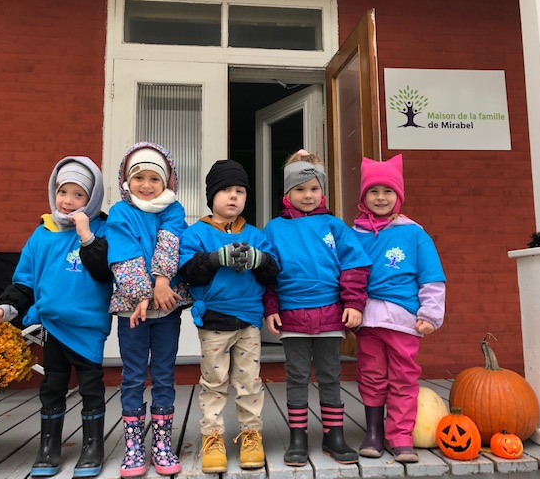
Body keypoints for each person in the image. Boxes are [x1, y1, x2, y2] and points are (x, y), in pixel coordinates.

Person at [0, 156, 113, 478]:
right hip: (53, 326)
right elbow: (24, 281)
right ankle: (48, 447)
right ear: (54, 191)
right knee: (52, 385)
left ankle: (93, 446)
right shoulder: (42, 234)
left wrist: (86, 235)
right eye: (63, 192)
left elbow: (104, 272)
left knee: (91, 386)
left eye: (79, 194)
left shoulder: (102, 228)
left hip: (88, 327)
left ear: (91, 198)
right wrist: (4, 309)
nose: (68, 201)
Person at [263, 149, 371, 467]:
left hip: (330, 314)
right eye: (300, 189)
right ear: (287, 193)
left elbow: (354, 265)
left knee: (330, 375)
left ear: (322, 191)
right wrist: (271, 308)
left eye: (314, 188)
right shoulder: (274, 229)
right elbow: (267, 274)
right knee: (296, 376)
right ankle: (298, 437)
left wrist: (353, 302)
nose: (307, 195)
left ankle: (333, 435)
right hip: (293, 315)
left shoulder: (334, 226)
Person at [178, 160, 278, 474]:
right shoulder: (196, 234)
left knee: (250, 382)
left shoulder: (256, 235)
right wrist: (213, 258)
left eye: (239, 191)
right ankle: (212, 438)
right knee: (214, 382)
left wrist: (260, 259)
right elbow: (188, 273)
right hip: (214, 322)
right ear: (211, 196)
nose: (233, 197)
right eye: (225, 190)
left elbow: (273, 274)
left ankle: (251, 435)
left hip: (248, 322)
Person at [352, 154, 446, 463]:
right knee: (371, 375)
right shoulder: (354, 235)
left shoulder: (414, 233)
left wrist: (430, 314)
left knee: (404, 378)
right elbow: (345, 275)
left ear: (399, 195)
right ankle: (374, 433)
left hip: (404, 320)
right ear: (364, 196)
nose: (380, 198)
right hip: (367, 321)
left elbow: (431, 276)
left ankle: (401, 435)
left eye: (387, 191)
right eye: (373, 191)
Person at [106, 142, 191, 478]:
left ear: (166, 182)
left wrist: (160, 282)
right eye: (138, 177)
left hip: (166, 305)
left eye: (154, 178)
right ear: (127, 181)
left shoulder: (172, 209)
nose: (146, 184)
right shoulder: (120, 213)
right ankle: (133, 445)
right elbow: (124, 254)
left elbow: (171, 241)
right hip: (132, 310)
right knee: (133, 374)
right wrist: (141, 292)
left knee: (165, 374)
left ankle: (162, 442)